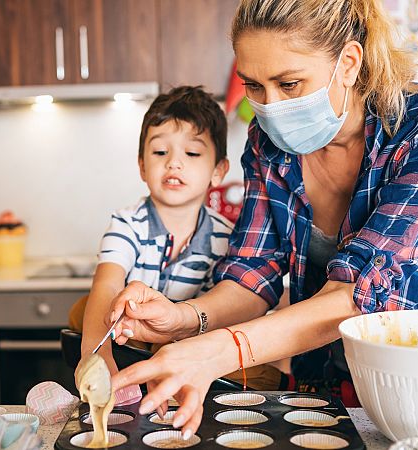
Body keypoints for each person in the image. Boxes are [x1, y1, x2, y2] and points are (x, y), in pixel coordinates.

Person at [105, 0, 418, 438]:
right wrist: (183, 318)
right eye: (253, 85)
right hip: (327, 384)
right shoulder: (267, 144)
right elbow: (252, 275)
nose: (269, 106)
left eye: (289, 83)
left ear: (348, 63)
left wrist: (216, 352)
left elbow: (357, 295)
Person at [69, 86, 286, 405]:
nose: (174, 164)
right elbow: (107, 283)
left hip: (197, 353)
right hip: (131, 345)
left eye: (192, 153)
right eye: (160, 153)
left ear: (218, 171)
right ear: (142, 165)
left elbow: (233, 312)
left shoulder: (230, 237)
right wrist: (95, 353)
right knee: (85, 307)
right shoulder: (127, 224)